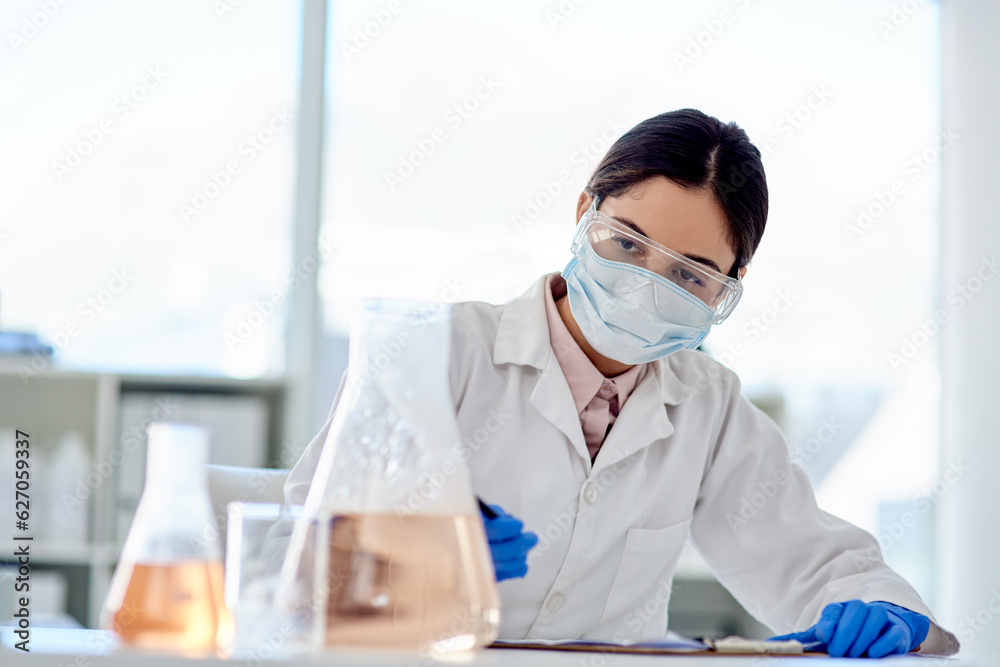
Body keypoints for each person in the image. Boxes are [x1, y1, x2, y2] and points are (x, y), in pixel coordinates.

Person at [285, 109, 959, 658]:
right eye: (627, 243)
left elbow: (813, 560)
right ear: (584, 213)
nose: (645, 286)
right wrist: (408, 555)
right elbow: (297, 567)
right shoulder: (438, 352)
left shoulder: (709, 404)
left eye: (690, 274)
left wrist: (887, 611)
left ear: (728, 288)